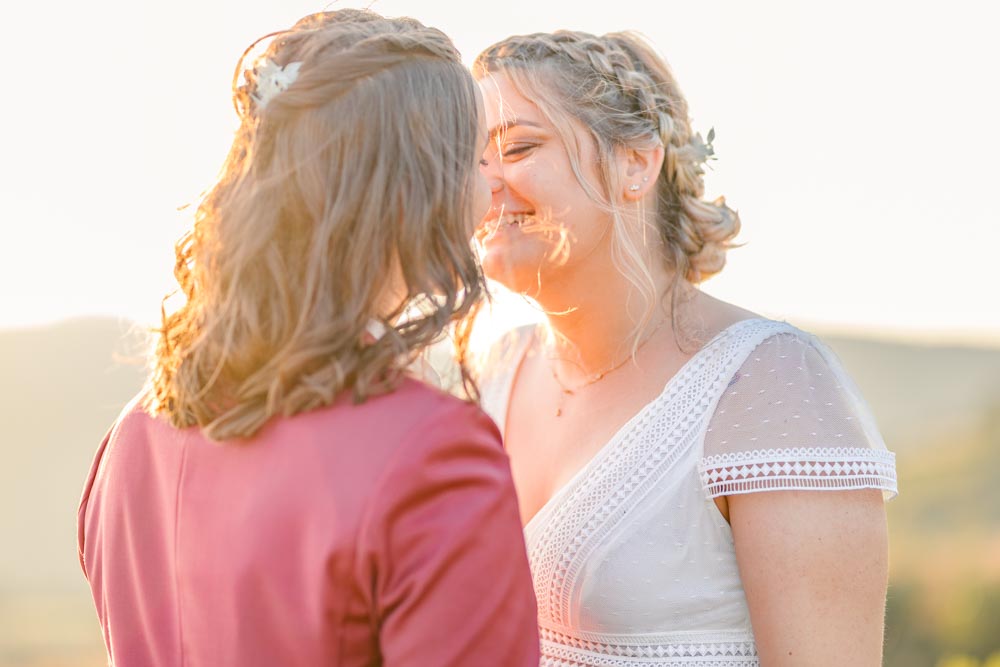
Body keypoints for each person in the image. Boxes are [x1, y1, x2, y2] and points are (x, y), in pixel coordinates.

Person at [77, 10, 539, 666]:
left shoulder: (134, 435)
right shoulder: (432, 455)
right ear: (416, 187)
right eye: (474, 156)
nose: (491, 182)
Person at [473, 30, 897, 667]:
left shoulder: (770, 385)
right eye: (471, 159)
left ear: (635, 165)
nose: (483, 183)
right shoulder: (493, 370)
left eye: (518, 148)